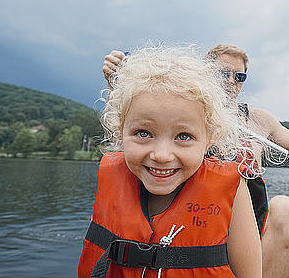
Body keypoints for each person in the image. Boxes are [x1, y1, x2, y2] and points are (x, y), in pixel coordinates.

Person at [103, 45, 289, 278]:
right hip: (201, 220)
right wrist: (116, 84)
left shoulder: (260, 120)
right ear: (205, 74)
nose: (231, 81)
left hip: (249, 218)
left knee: (288, 208)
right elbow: (125, 135)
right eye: (222, 74)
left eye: (239, 76)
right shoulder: (185, 113)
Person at [79, 46, 262, 278]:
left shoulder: (234, 192)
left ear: (210, 138)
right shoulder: (114, 176)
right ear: (120, 129)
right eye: (144, 133)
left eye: (183, 136)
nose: (162, 155)